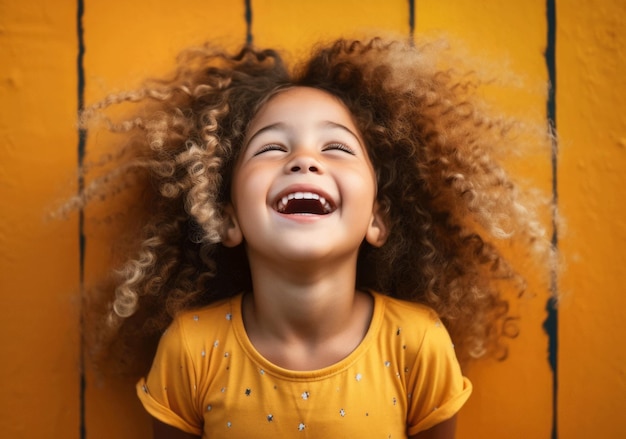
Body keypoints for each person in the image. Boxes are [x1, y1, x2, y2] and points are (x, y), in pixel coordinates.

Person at [70, 37, 553, 438]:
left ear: (377, 219)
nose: (304, 161)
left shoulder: (419, 345)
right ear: (227, 218)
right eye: (273, 147)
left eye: (337, 147)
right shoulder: (190, 348)